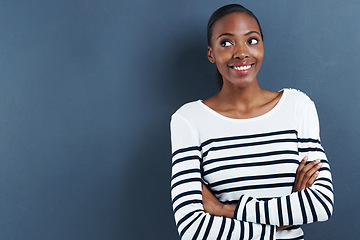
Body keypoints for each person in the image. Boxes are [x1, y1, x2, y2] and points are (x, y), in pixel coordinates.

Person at [170, 4, 333, 240]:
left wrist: (225, 210)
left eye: (252, 40)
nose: (241, 53)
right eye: (226, 43)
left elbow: (321, 204)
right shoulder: (188, 119)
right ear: (211, 53)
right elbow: (192, 228)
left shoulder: (298, 106)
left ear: (263, 46)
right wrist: (284, 221)